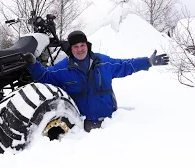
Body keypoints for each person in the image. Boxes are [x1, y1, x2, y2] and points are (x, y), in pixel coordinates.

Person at [23, 30, 169, 132]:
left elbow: (125, 65)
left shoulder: (103, 62)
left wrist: (148, 62)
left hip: (110, 123)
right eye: (76, 46)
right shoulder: (62, 69)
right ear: (71, 49)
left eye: (82, 45)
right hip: (81, 127)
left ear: (87, 45)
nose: (80, 49)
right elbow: (44, 77)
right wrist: (34, 64)